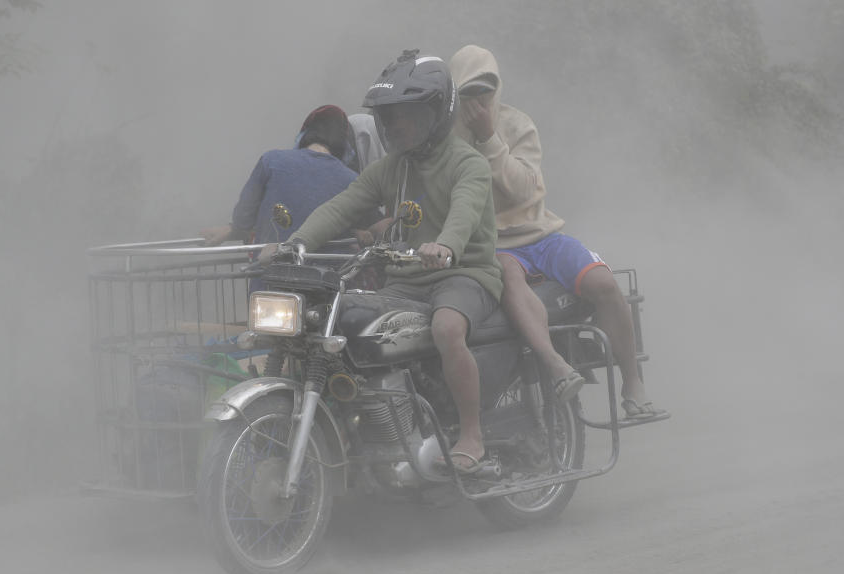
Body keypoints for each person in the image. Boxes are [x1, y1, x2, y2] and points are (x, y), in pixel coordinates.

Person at [262, 49, 503, 473]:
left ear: (435, 111)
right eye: (387, 115)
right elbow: (342, 207)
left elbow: (463, 216)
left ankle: (471, 434)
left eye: (404, 114)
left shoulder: (469, 163)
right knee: (345, 323)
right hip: (406, 280)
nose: (392, 124)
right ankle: (377, 432)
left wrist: (444, 246)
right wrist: (295, 243)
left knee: (447, 327)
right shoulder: (391, 168)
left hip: (464, 275)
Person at [449, 44, 663, 419]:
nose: (478, 101)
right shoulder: (448, 141)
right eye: (468, 92)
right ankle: (556, 367)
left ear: (497, 88)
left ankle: (633, 382)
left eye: (485, 90)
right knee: (511, 280)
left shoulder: (518, 125)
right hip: (495, 246)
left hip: (543, 235)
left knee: (605, 284)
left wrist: (488, 138)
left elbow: (523, 189)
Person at [200, 104, 373, 250]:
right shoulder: (351, 180)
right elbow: (356, 226)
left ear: (305, 133)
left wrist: (232, 229)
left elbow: (243, 218)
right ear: (343, 143)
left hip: (271, 276)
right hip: (326, 280)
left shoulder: (271, 161)